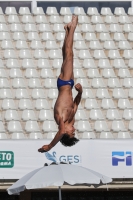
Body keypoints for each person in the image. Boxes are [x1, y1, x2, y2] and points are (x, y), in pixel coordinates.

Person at [38, 15, 83, 153]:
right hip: (70, 84)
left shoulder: (61, 121)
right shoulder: (71, 117)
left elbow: (61, 132)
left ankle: (72, 28)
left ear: (65, 133)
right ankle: (67, 30)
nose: (74, 130)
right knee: (67, 55)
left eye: (72, 133)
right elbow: (76, 103)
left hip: (64, 83)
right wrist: (80, 92)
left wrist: (50, 146)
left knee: (69, 55)